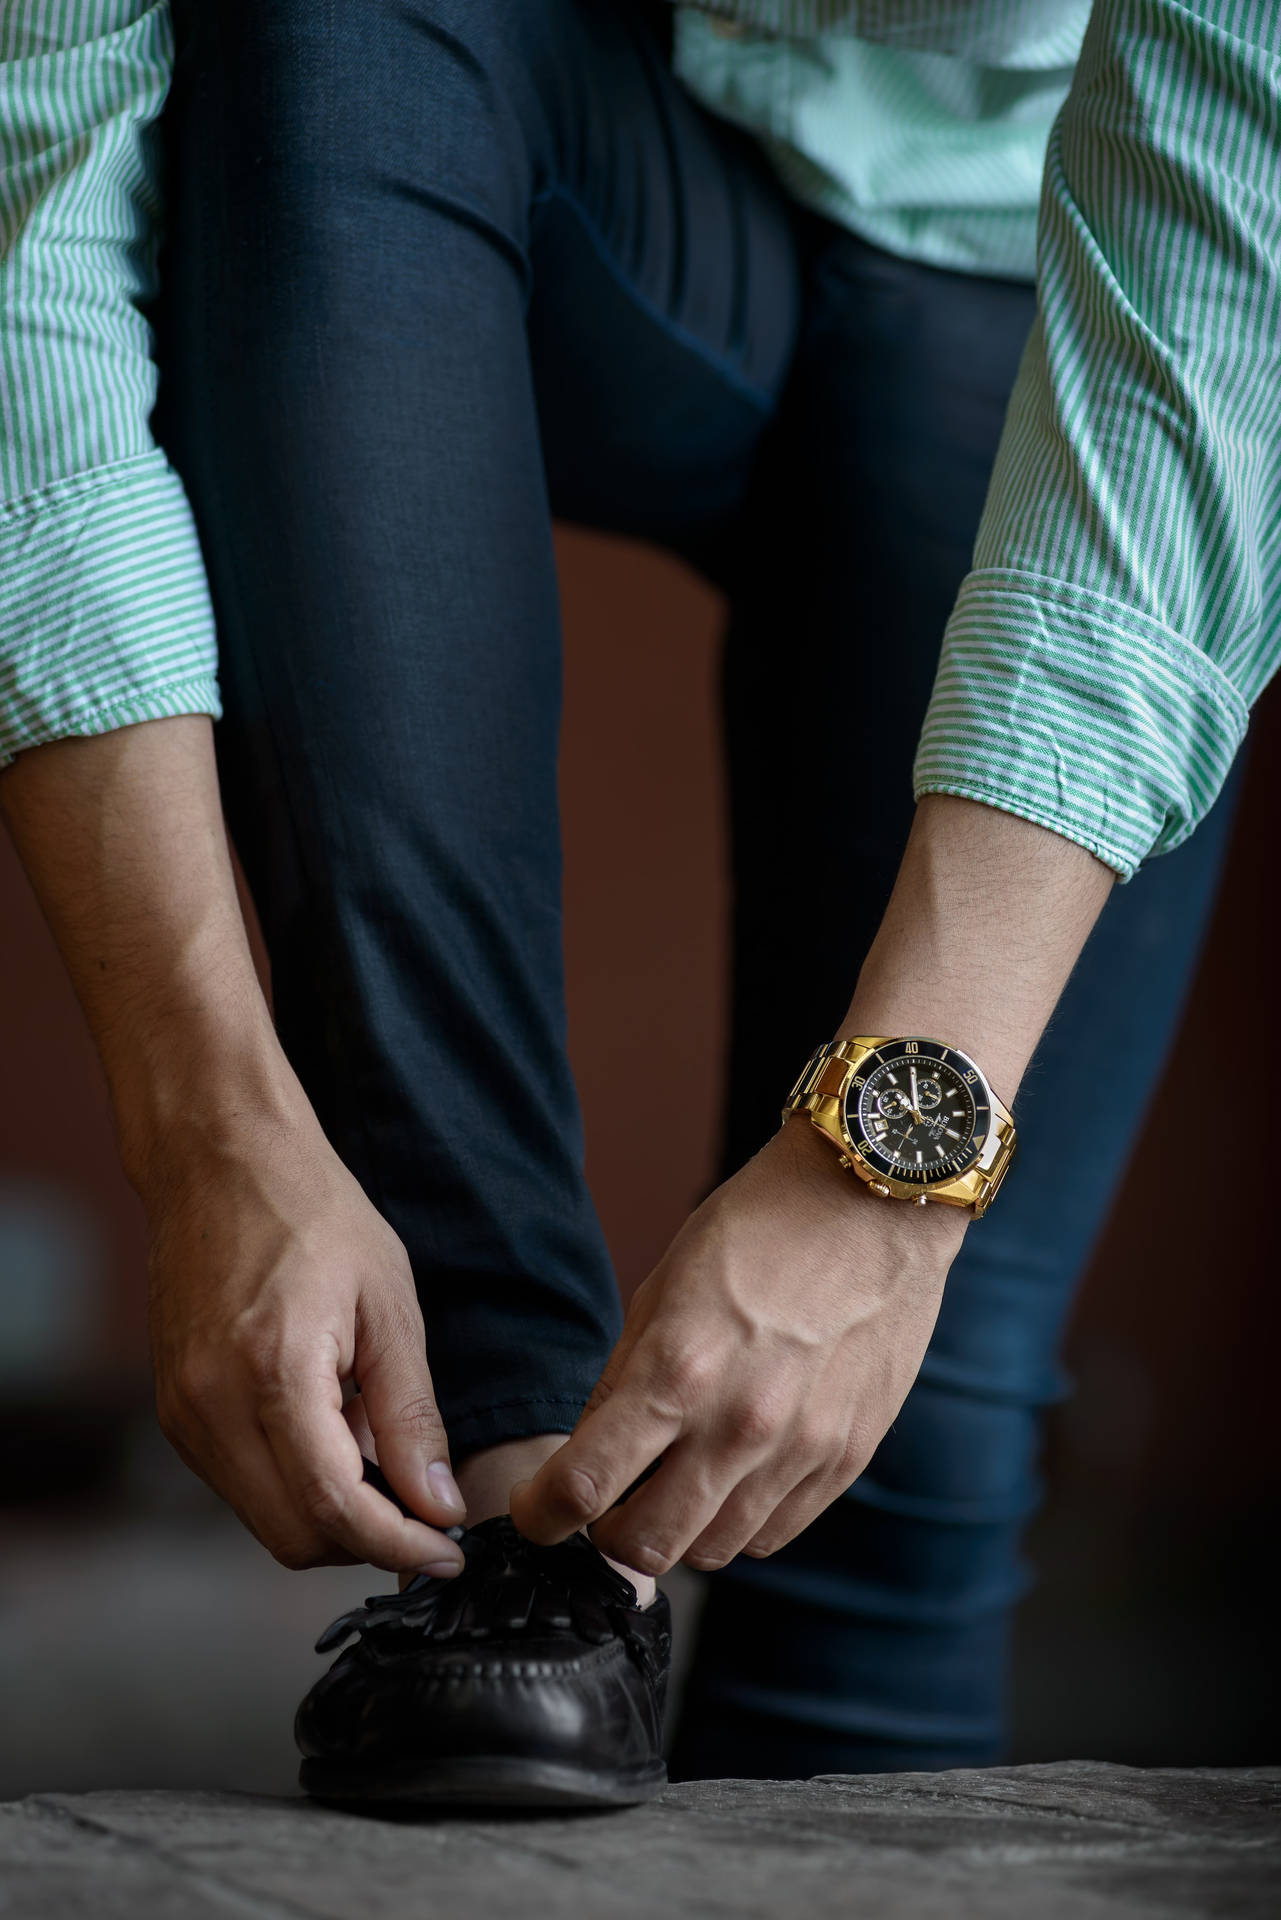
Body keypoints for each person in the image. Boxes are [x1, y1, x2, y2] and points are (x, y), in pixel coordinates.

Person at [0, 0, 1274, 1805]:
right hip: (528, 139)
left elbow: (1218, 323)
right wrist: (203, 1121)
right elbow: (24, 241)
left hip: (1072, 285)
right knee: (333, 34)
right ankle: (517, 1484)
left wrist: (878, 1190)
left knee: (898, 1467)